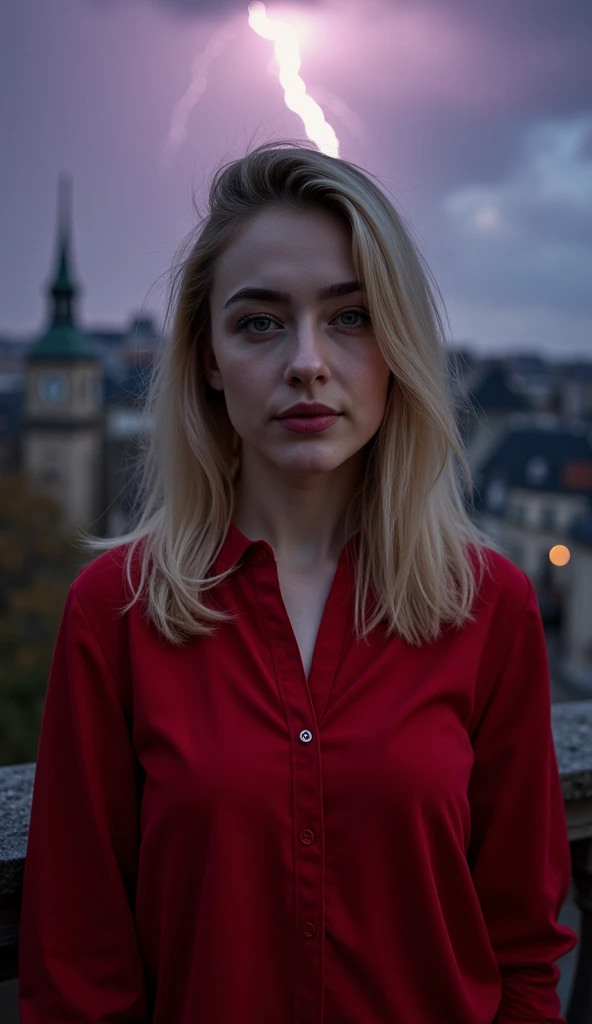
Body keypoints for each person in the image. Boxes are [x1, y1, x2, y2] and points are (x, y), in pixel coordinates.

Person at [18, 142, 577, 1024]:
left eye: (351, 317)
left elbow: (522, 944)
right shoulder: (116, 612)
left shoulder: (489, 605)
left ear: (396, 348)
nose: (308, 362)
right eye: (260, 322)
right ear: (207, 358)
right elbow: (76, 964)